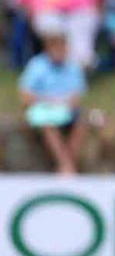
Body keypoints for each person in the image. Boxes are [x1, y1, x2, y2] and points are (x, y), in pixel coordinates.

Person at [19, 32, 86, 174]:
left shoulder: (73, 67)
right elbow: (25, 95)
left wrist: (64, 104)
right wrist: (47, 101)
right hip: (43, 109)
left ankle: (65, 166)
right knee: (48, 124)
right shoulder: (36, 65)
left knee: (81, 123)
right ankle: (66, 166)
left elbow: (76, 97)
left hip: (65, 110)